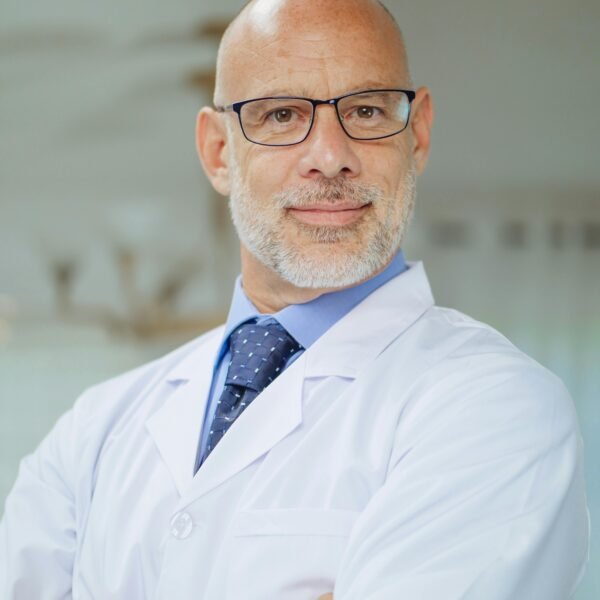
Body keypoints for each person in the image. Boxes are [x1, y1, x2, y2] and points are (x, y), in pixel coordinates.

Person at [0, 0, 590, 598]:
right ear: (218, 152)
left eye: (365, 110)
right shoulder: (93, 431)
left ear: (417, 135)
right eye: (281, 115)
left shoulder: (496, 410)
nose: (330, 155)